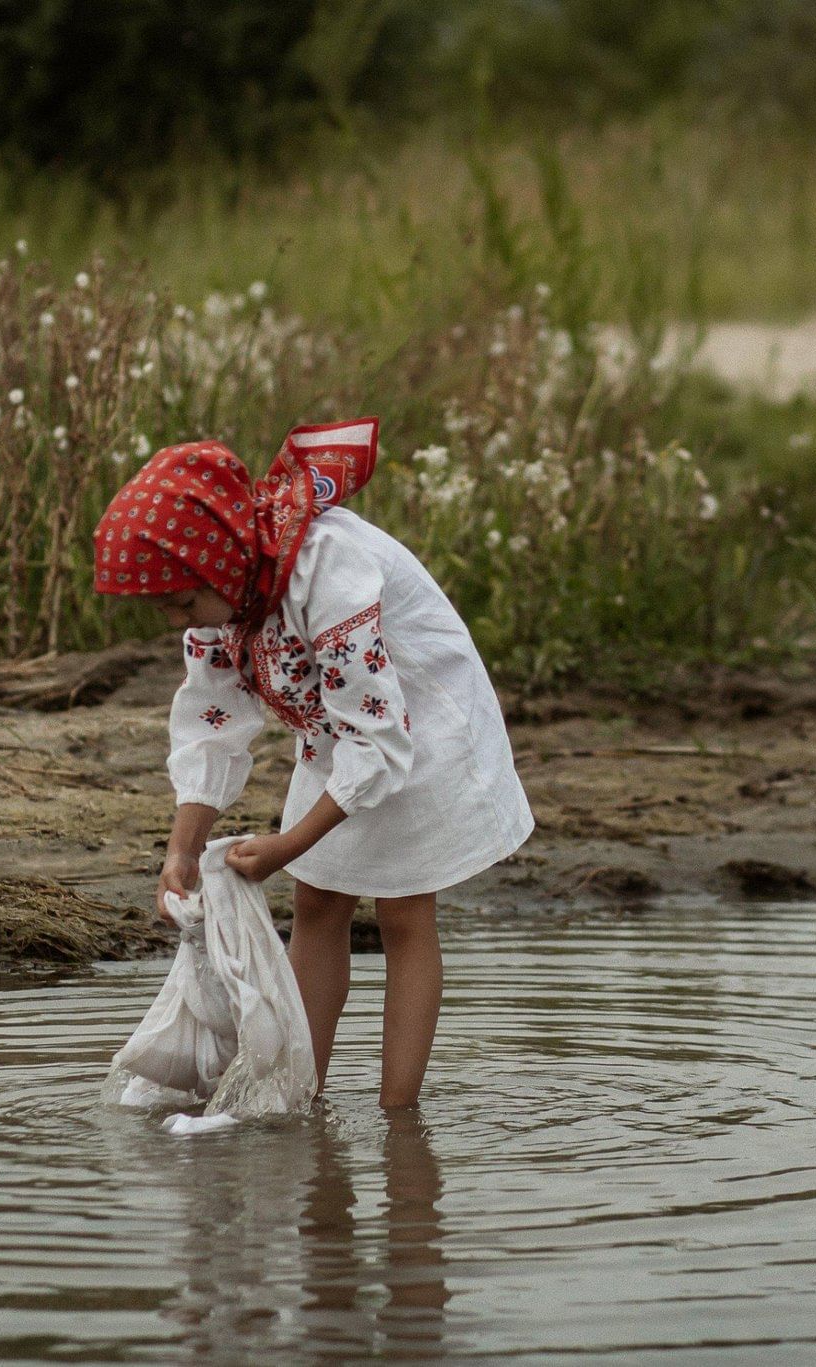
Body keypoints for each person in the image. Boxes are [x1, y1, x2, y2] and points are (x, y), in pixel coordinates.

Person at [93, 418, 534, 1106]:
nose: (185, 618)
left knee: (403, 912)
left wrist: (287, 843)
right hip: (336, 733)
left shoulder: (328, 568)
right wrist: (184, 846)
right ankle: (300, 1091)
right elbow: (212, 724)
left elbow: (381, 739)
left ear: (217, 559)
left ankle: (399, 1113)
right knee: (316, 901)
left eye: (182, 600)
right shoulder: (222, 605)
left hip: (417, 724)